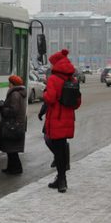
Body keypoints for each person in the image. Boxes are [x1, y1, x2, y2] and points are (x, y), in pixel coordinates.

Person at [42, 48, 80, 193]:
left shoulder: (53, 79)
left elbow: (50, 98)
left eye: (52, 64)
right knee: (61, 148)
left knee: (58, 151)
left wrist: (45, 93)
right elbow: (77, 103)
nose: (51, 67)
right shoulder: (72, 79)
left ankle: (62, 180)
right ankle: (60, 178)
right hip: (68, 119)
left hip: (56, 118)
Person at [0, 75, 28, 175]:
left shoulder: (15, 94)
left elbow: (13, 110)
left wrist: (3, 109)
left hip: (12, 125)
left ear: (13, 84)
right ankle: (11, 168)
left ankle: (16, 169)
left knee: (11, 150)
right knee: (11, 149)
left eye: (10, 83)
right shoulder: (19, 93)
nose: (8, 85)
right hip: (16, 124)